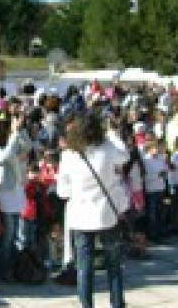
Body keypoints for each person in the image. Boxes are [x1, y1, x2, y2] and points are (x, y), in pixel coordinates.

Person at [57, 112, 128, 308]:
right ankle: (117, 303)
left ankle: (86, 305)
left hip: (81, 215)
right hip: (107, 213)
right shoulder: (107, 149)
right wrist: (113, 133)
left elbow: (63, 192)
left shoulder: (68, 155)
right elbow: (125, 155)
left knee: (84, 267)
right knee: (113, 264)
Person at [0, 115, 29, 283]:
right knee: (7, 237)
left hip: (16, 193)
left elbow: (27, 147)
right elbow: (3, 156)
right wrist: (15, 135)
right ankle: (3, 270)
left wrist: (21, 130)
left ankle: (13, 268)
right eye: (8, 129)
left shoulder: (11, 142)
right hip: (3, 196)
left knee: (16, 235)